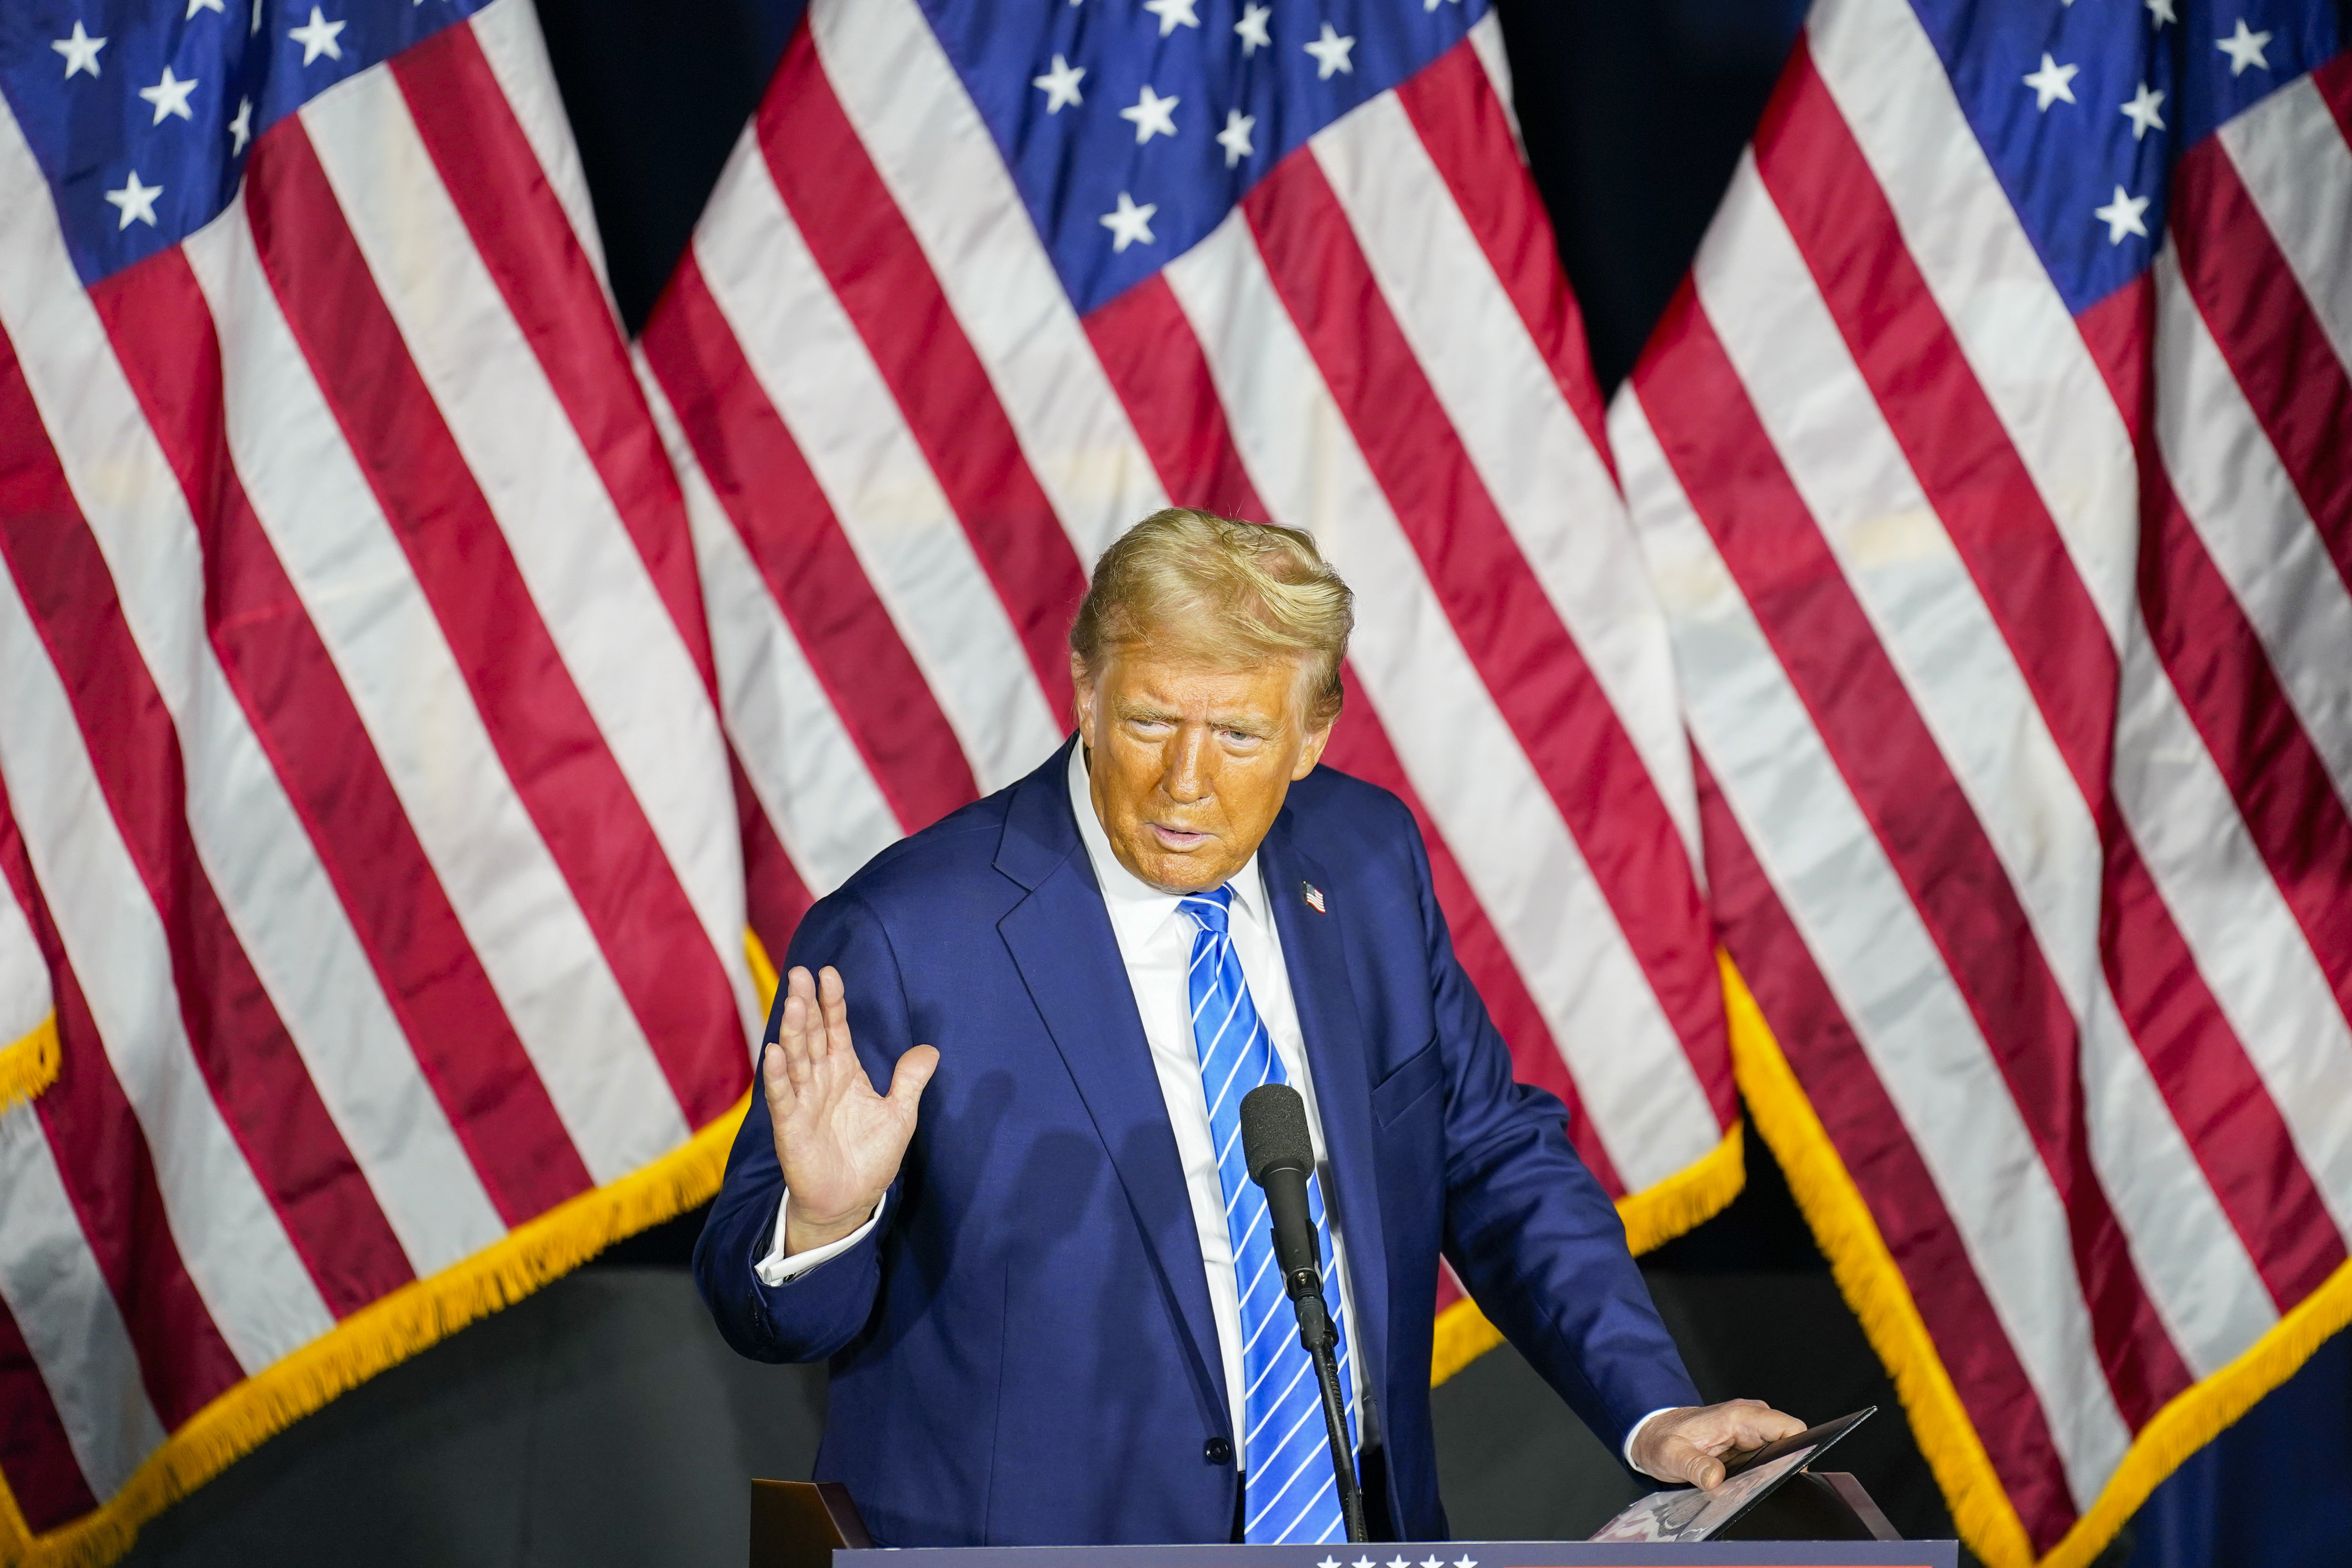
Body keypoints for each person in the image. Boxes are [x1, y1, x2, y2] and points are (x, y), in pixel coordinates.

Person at [695, 508, 1802, 1547]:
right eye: (1147, 720)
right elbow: (759, 1311)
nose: (1185, 780)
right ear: (1083, 689)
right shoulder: (904, 932)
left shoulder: (1366, 862)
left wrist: (1652, 1410)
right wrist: (826, 1217)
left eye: (1235, 733)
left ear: (1312, 732)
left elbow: (1491, 1159)